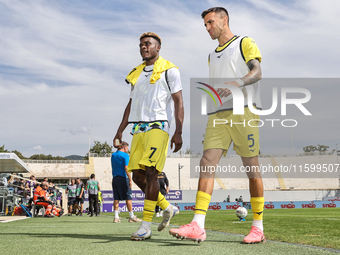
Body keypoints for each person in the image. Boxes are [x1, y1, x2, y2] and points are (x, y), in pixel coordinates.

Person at [170, 7, 265, 244]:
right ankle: (198, 224)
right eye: (205, 25)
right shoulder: (212, 54)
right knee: (206, 162)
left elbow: (257, 72)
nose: (207, 28)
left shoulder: (244, 42)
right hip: (219, 115)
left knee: (251, 168)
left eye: (210, 22)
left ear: (224, 20)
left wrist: (236, 83)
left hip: (245, 110)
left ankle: (257, 227)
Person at [113, 32, 184, 241]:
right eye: (141, 45)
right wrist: (120, 129)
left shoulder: (170, 70)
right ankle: (167, 206)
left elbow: (179, 101)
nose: (144, 47)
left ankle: (146, 226)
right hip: (138, 129)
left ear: (158, 47)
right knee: (137, 176)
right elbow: (130, 104)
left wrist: (178, 131)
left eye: (148, 44)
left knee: (152, 173)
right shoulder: (136, 73)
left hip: (158, 126)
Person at [111, 141, 142, 223]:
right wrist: (130, 179)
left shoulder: (113, 155)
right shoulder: (125, 155)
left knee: (116, 198)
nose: (128, 149)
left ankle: (116, 217)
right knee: (128, 198)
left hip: (115, 178)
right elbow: (126, 168)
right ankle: (132, 217)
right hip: (123, 178)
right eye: (127, 148)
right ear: (124, 147)